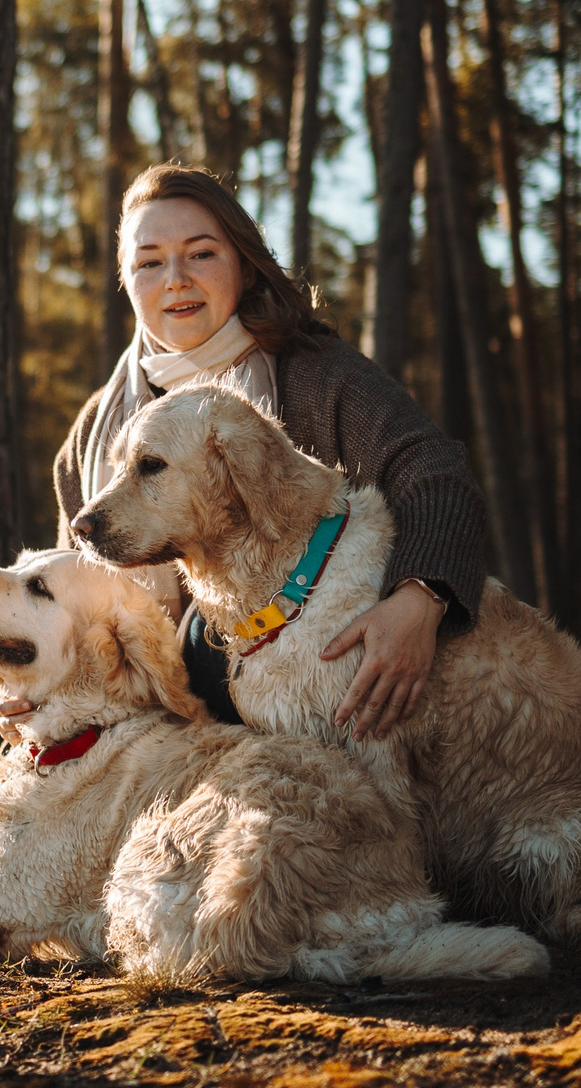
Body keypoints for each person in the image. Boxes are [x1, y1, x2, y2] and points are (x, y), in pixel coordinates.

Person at [51, 164, 490, 740]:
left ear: (243, 263)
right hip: (150, 716)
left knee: (203, 636)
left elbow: (432, 471)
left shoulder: (314, 374)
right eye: (149, 262)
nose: (175, 279)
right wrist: (36, 688)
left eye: (201, 253)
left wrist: (420, 599)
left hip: (316, 693)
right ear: (127, 281)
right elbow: (71, 589)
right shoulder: (95, 428)